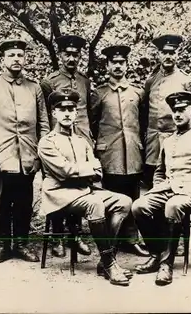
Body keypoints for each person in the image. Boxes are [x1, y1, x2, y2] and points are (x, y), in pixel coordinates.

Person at [131, 91, 191, 286]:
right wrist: (159, 187)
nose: (176, 114)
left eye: (181, 110)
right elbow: (159, 172)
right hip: (169, 190)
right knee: (138, 207)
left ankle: (166, 265)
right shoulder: (168, 141)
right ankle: (156, 254)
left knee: (173, 206)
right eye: (174, 110)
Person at [38, 89, 133, 286]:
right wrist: (88, 169)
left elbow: (99, 171)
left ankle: (106, 259)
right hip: (60, 194)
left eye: (71, 109)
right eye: (62, 109)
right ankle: (109, 264)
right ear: (54, 113)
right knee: (95, 204)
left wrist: (85, 170)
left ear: (75, 113)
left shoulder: (82, 141)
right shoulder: (47, 143)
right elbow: (65, 172)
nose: (67, 113)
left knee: (124, 201)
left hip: (85, 191)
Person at [0, 39, 51, 264]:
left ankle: (22, 245)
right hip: (1, 156)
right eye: (11, 55)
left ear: (25, 59)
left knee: (25, 202)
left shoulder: (34, 87)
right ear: (2, 60)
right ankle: (3, 246)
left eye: (20, 55)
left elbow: (43, 124)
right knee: (2, 202)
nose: (16, 59)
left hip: (28, 155)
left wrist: (40, 155)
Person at [91, 45, 149, 257]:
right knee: (111, 199)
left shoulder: (137, 92)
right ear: (107, 66)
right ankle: (111, 243)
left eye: (121, 62)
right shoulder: (99, 93)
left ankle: (131, 240)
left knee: (132, 198)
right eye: (113, 62)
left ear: (126, 65)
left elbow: (142, 123)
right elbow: (92, 123)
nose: (118, 66)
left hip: (133, 153)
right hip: (109, 155)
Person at [40, 34, 93, 257]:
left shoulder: (84, 80)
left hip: (81, 141)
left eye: (75, 54)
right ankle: (57, 237)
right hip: (57, 143)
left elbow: (88, 112)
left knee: (79, 185)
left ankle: (76, 235)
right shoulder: (49, 81)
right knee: (58, 186)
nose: (71, 58)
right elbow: (45, 115)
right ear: (60, 55)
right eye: (67, 54)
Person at [141, 34, 191, 189]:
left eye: (172, 52)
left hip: (178, 141)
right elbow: (144, 111)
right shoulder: (151, 81)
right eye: (164, 52)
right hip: (154, 142)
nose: (168, 56)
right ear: (159, 54)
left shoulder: (187, 81)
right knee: (153, 183)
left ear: (177, 54)